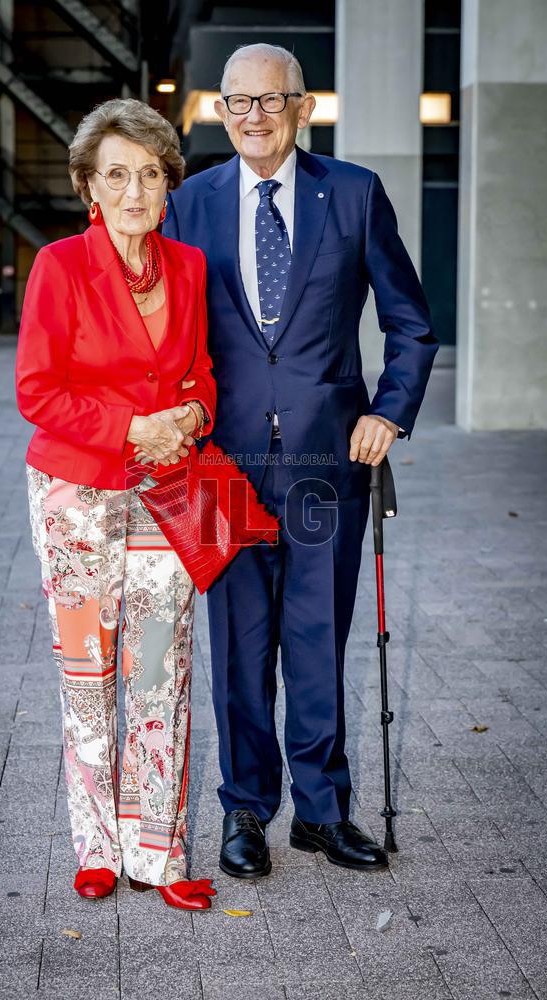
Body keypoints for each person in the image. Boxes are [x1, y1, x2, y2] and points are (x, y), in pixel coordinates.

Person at [162, 43, 438, 878]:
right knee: (241, 648)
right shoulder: (190, 204)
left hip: (324, 460)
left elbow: (411, 322)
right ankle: (245, 811)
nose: (251, 116)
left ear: (304, 106)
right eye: (235, 102)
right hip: (219, 464)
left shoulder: (352, 194)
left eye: (269, 101)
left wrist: (388, 413)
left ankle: (321, 813)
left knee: (317, 641)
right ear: (221, 112)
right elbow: (164, 335)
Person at [15, 98, 217, 910]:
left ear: (168, 185)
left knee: (161, 671)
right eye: (117, 175)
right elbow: (37, 391)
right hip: (76, 495)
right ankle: (97, 846)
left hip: (170, 492)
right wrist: (136, 427)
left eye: (150, 175)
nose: (136, 191)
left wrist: (193, 416)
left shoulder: (192, 267)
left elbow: (203, 373)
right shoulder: (60, 266)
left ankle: (159, 856)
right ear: (87, 187)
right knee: (88, 674)